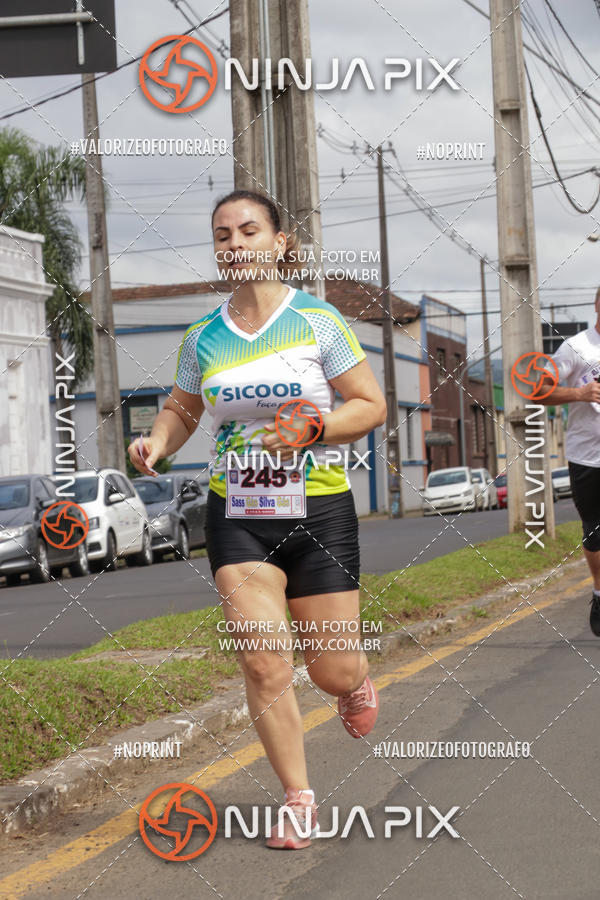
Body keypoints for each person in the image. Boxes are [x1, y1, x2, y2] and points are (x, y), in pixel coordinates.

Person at [128, 189, 388, 849]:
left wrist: (319, 426)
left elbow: (370, 404)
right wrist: (159, 442)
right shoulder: (203, 337)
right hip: (238, 508)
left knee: (331, 670)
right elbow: (183, 410)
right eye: (223, 235)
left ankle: (353, 683)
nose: (234, 244)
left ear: (279, 243)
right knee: (264, 664)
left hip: (319, 504)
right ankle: (298, 798)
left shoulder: (318, 321)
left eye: (248, 231)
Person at [540, 287, 600, 634]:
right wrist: (579, 392)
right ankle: (598, 589)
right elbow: (540, 389)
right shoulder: (576, 347)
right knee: (594, 533)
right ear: (596, 304)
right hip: (586, 457)